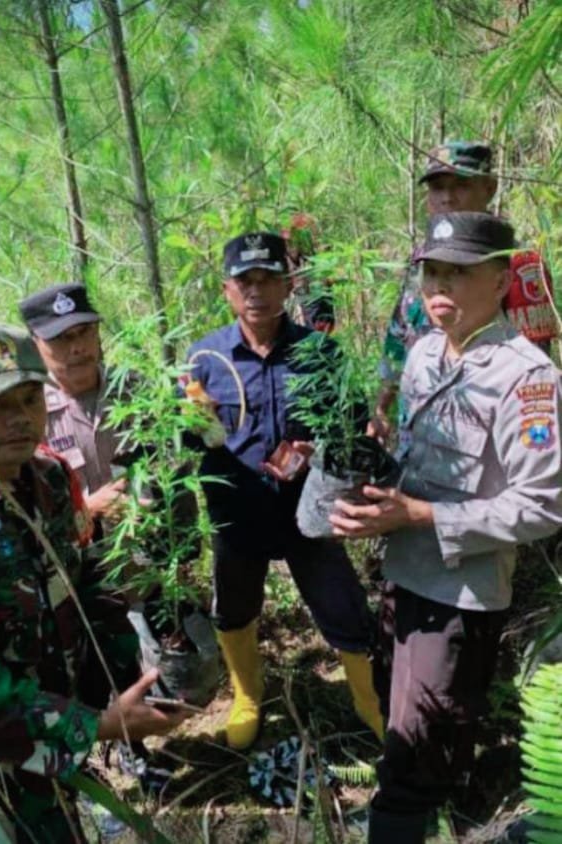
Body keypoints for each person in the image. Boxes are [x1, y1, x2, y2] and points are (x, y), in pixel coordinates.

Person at [0, 321, 186, 843]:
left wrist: (134, 672)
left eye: (29, 399)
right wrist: (99, 726)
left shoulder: (48, 479)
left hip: (63, 730)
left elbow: (82, 583)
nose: (20, 417)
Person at [330, 212, 562, 843]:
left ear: (501, 281)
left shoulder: (526, 378)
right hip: (403, 572)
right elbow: (416, 459)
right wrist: (373, 494)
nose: (439, 286)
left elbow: (542, 506)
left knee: (413, 752)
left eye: (458, 273)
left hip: (460, 594)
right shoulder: (424, 354)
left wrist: (423, 515)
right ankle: (440, 813)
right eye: (432, 271)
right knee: (407, 717)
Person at [185, 231, 383, 751]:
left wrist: (323, 448)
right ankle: (247, 697)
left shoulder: (321, 353)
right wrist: (194, 422)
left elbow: (353, 426)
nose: (256, 291)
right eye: (244, 281)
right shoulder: (205, 358)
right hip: (237, 513)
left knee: (343, 605)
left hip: (309, 511)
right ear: (227, 290)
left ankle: (369, 701)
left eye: (267, 279)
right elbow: (187, 438)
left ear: (289, 284)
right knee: (234, 606)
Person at [369, 140, 558, 444]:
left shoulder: (519, 264)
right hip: (418, 427)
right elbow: (399, 334)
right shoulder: (421, 257)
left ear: (489, 188)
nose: (447, 198)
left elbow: (532, 372)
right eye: (437, 188)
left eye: (461, 185)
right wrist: (382, 406)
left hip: (480, 432)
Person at [18, 283, 130, 534]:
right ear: (35, 345)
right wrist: (87, 508)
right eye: (61, 338)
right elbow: (24, 510)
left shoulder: (135, 390)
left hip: (153, 547)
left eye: (84, 332)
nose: (78, 347)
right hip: (77, 552)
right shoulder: (28, 412)